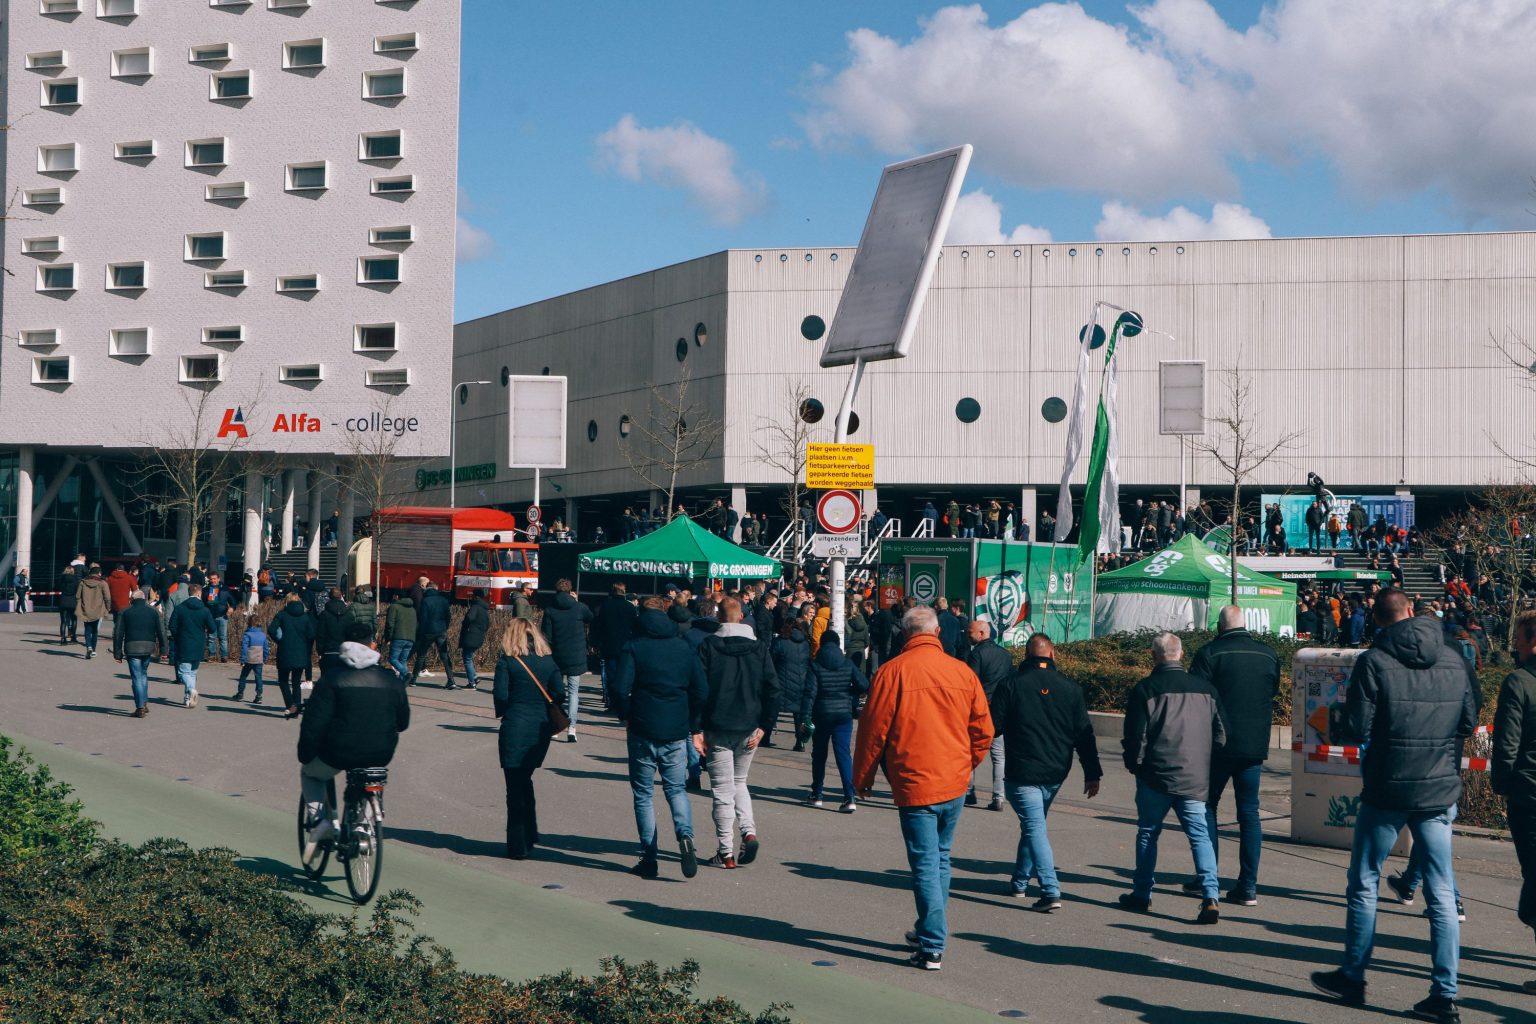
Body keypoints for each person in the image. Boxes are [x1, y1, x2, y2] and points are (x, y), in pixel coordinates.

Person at [1312, 589, 1476, 1024]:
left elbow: (1356, 728)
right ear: (1411, 612)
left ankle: (1354, 975)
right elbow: (1467, 722)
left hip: (1387, 786)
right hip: (1438, 787)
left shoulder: (1374, 661)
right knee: (1441, 891)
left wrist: (1332, 721)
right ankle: (1444, 994)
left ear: (1380, 620)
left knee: (1365, 879)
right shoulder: (1454, 658)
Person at [853, 605, 994, 971]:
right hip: (953, 780)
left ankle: (932, 941)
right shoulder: (961, 671)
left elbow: (873, 731)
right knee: (940, 858)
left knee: (926, 863)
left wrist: (862, 778)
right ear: (937, 633)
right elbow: (983, 730)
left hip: (916, 781)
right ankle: (931, 928)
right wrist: (967, 763)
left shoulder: (891, 672)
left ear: (904, 634)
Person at [1119, 632, 1225, 925]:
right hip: (1194, 777)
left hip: (1156, 776)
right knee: (1199, 836)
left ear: (1154, 656)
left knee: (1148, 833)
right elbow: (1221, 735)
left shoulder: (1146, 689)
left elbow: (1135, 737)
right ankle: (1210, 896)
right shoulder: (1206, 690)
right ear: (1181, 654)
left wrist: (1135, 766)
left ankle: (1142, 893)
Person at [991, 633, 1101, 911]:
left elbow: (993, 727)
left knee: (1034, 827)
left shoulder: (1011, 685)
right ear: (1053, 655)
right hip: (1056, 771)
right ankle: (1019, 882)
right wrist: (1092, 772)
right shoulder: (1071, 688)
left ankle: (1050, 891)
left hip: (1022, 770)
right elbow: (1084, 735)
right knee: (1034, 826)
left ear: (1026, 655)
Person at [1183, 606, 1281, 907]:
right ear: (1245, 624)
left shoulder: (1209, 654)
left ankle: (1206, 878)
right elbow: (1273, 690)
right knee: (1249, 813)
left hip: (1217, 745)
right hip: (1254, 745)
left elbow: (1196, 696)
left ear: (1219, 626)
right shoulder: (1268, 654)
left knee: (1207, 807)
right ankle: (1248, 886)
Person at [298, 621, 411, 864]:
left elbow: (314, 723)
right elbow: (403, 721)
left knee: (312, 774)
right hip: (380, 751)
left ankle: (320, 822)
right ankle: (366, 824)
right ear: (372, 644)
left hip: (338, 751)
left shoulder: (332, 678)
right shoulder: (390, 679)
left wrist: (305, 753)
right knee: (373, 778)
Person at [611, 595, 707, 880]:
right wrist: (692, 721)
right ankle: (685, 835)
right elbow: (700, 689)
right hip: (675, 728)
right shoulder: (683, 646)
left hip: (642, 725)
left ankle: (649, 855)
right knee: (675, 789)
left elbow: (619, 688)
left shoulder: (634, 646)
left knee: (643, 793)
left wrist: (626, 715)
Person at [695, 596, 780, 868]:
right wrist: (765, 725)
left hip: (718, 725)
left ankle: (725, 851)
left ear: (718, 617)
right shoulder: (759, 648)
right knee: (740, 782)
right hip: (750, 725)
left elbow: (698, 689)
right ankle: (748, 830)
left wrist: (695, 728)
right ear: (742, 616)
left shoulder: (708, 645)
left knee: (722, 790)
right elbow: (772, 690)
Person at [1490, 610, 1536, 995]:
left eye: (1519, 639)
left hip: (1530, 794)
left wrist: (1501, 784)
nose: (1514, 646)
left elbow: (1507, 742)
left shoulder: (1519, 682)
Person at [493, 617, 565, 859]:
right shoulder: (549, 662)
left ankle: (518, 843)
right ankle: (530, 832)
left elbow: (501, 696)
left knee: (514, 785)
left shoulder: (508, 662)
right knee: (525, 777)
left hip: (515, 724)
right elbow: (559, 693)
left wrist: (510, 707)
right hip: (541, 726)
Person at [801, 629, 869, 812]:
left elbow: (809, 694)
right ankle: (849, 796)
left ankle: (817, 794)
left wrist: (804, 717)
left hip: (821, 714)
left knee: (819, 754)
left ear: (822, 644)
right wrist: (848, 694)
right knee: (843, 755)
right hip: (843, 715)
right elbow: (864, 685)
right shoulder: (847, 664)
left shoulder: (815, 665)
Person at [965, 620, 1013, 811]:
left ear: (982, 633)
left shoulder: (976, 654)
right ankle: (999, 797)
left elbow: (971, 681)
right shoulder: (1005, 654)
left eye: (971, 632)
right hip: (999, 709)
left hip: (980, 708)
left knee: (969, 751)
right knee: (999, 755)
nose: (968, 635)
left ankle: (969, 792)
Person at [541, 578, 594, 741]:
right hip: (576, 656)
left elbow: (546, 636)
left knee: (556, 692)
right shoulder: (579, 607)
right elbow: (590, 617)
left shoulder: (550, 610)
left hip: (557, 656)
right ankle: (572, 728)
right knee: (574, 692)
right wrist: (576, 600)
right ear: (570, 590)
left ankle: (556, 726)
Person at [168, 583, 215, 709]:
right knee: (192, 673)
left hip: (183, 643)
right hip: (199, 643)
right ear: (199, 593)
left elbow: (172, 625)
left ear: (189, 593)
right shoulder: (205, 610)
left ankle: (191, 690)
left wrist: (178, 636)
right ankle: (187, 699)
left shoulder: (180, 608)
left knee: (183, 672)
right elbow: (212, 628)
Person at [114, 589, 160, 717]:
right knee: (143, 674)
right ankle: (144, 702)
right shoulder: (153, 611)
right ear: (144, 599)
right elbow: (161, 630)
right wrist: (164, 649)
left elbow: (118, 633)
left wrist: (118, 653)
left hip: (132, 647)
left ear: (132, 599)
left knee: (136, 677)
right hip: (148, 647)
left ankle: (140, 707)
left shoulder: (125, 612)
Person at [594, 582, 638, 711]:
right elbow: (634, 627)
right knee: (624, 676)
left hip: (609, 645)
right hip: (625, 646)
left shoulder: (606, 607)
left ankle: (613, 703)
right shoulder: (630, 608)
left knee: (611, 676)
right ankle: (622, 704)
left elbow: (599, 626)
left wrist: (596, 642)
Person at [273, 593, 317, 718]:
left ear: (287, 602)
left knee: (283, 681)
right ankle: (296, 706)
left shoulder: (282, 615)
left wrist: (280, 641)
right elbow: (311, 634)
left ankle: (291, 705)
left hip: (285, 652)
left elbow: (271, 629)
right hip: (301, 653)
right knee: (296, 682)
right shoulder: (305, 617)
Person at [769, 622, 811, 750]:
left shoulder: (780, 642)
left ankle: (765, 737)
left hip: (781, 682)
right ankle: (800, 742)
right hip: (800, 682)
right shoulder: (805, 644)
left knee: (772, 711)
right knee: (799, 715)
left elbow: (771, 659)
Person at [411, 581, 453, 688]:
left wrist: (421, 632)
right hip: (441, 631)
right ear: (436, 588)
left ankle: (413, 679)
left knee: (421, 655)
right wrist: (445, 627)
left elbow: (423, 618)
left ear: (427, 588)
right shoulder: (443, 600)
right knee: (444, 655)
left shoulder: (426, 601)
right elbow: (448, 616)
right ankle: (451, 680)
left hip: (428, 632)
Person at [75, 565, 111, 660]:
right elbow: (107, 597)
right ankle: (94, 650)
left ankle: (89, 647)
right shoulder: (103, 583)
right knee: (95, 630)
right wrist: (108, 608)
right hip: (98, 609)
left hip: (85, 608)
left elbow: (78, 595)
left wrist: (80, 605)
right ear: (99, 573)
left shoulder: (83, 582)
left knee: (87, 629)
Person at [459, 588, 491, 691]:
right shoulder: (484, 609)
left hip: (470, 636)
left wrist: (465, 624)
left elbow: (469, 618)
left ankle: (471, 683)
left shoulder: (475, 606)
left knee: (467, 658)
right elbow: (487, 625)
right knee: (469, 657)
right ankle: (475, 677)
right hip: (479, 636)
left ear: (476, 596)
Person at [383, 593, 416, 684]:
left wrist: (388, 637)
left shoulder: (394, 607)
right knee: (403, 660)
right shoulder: (412, 609)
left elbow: (390, 623)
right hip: (410, 638)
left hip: (398, 637)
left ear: (397, 596)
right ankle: (402, 682)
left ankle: (406, 673)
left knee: (392, 659)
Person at [315, 588, 349, 673]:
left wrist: (319, 650)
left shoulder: (324, 614)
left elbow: (320, 634)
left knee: (327, 679)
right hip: (345, 650)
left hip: (328, 650)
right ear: (341, 596)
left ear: (329, 597)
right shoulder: (349, 614)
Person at [235, 617, 268, 704]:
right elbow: (265, 649)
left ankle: (240, 694)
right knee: (258, 678)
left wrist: (242, 659)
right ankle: (259, 696)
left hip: (248, 660)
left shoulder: (247, 634)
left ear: (249, 623)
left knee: (243, 676)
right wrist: (264, 659)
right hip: (259, 660)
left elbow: (244, 648)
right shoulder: (263, 635)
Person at [57, 565, 80, 645]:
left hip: (63, 600)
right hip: (73, 601)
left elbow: (56, 588)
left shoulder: (61, 579)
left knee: (63, 621)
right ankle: (73, 637)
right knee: (74, 620)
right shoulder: (76, 580)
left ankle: (63, 638)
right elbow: (78, 590)